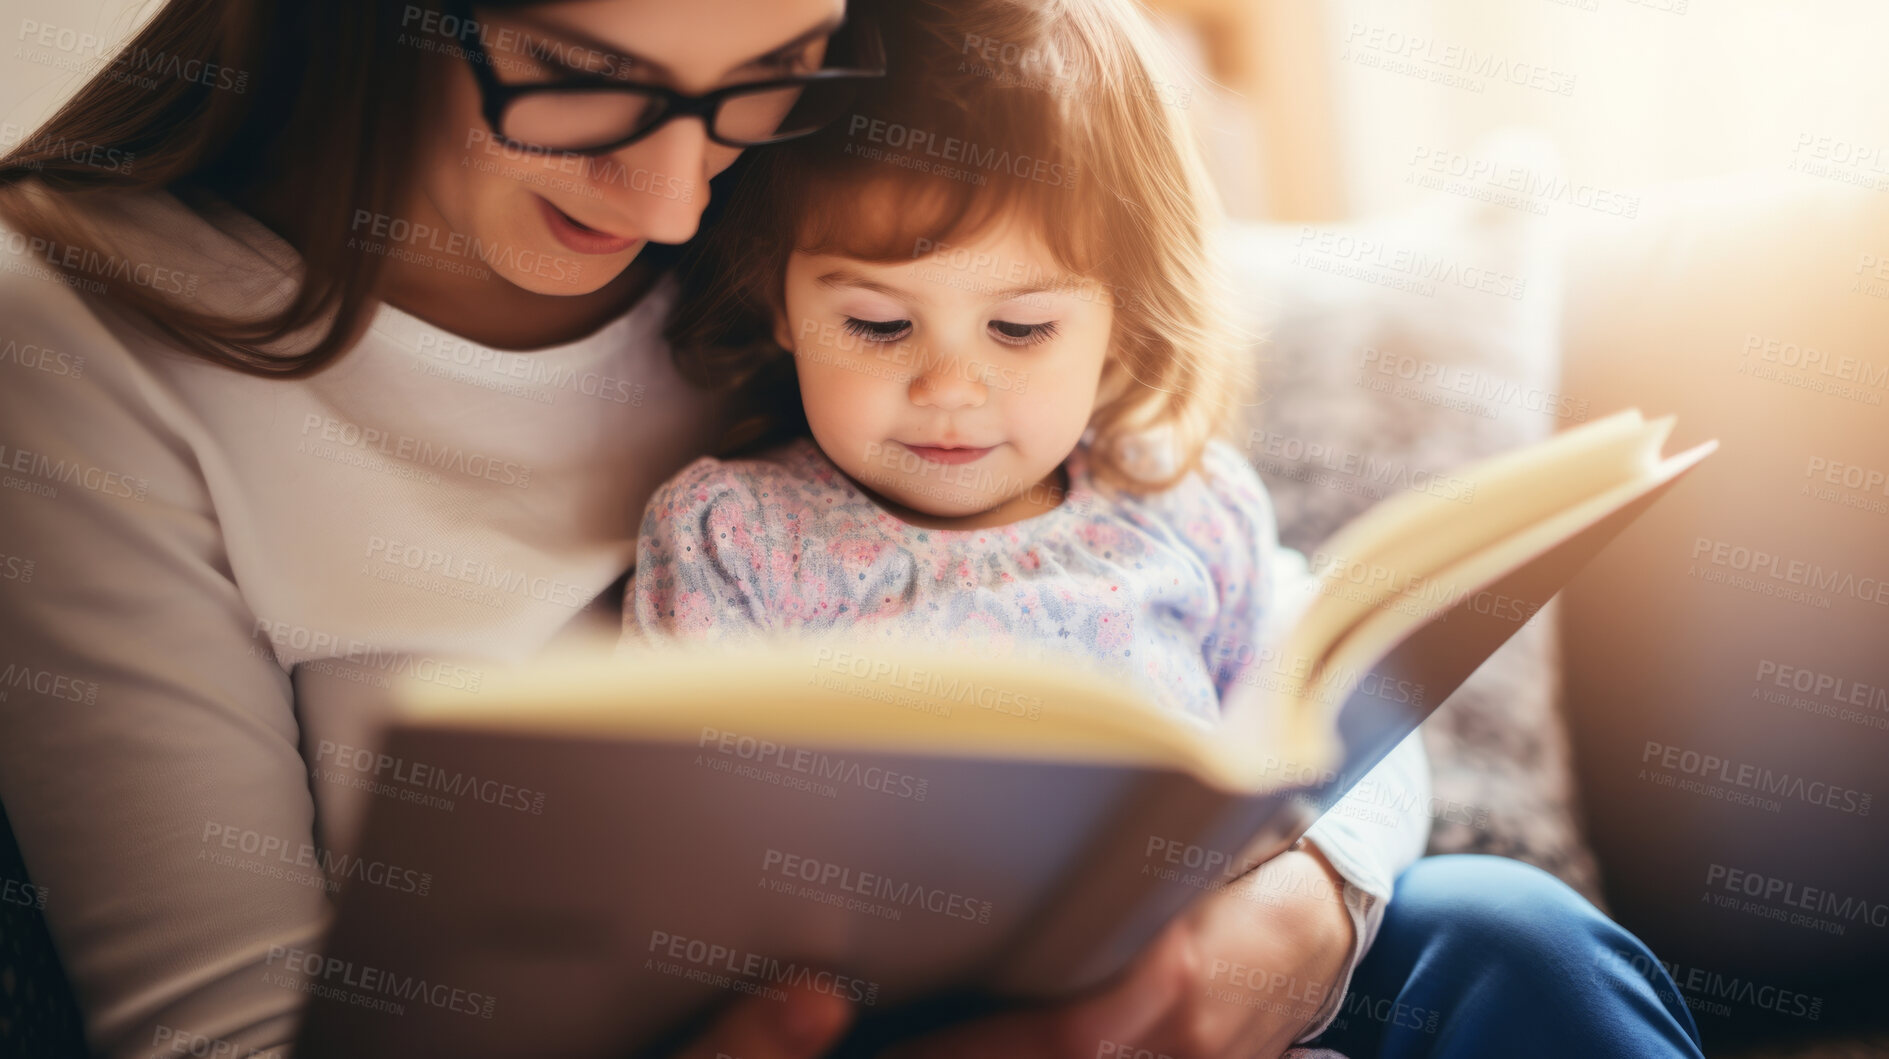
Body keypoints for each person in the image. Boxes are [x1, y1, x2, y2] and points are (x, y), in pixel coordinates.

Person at [0, 0, 1709, 1055]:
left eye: (771, 75)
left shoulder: (867, 200)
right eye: (585, 85)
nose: (679, 209)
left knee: (1508, 928)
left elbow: (1311, 676)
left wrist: (1302, 913)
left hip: (1208, 968)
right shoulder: (78, 335)